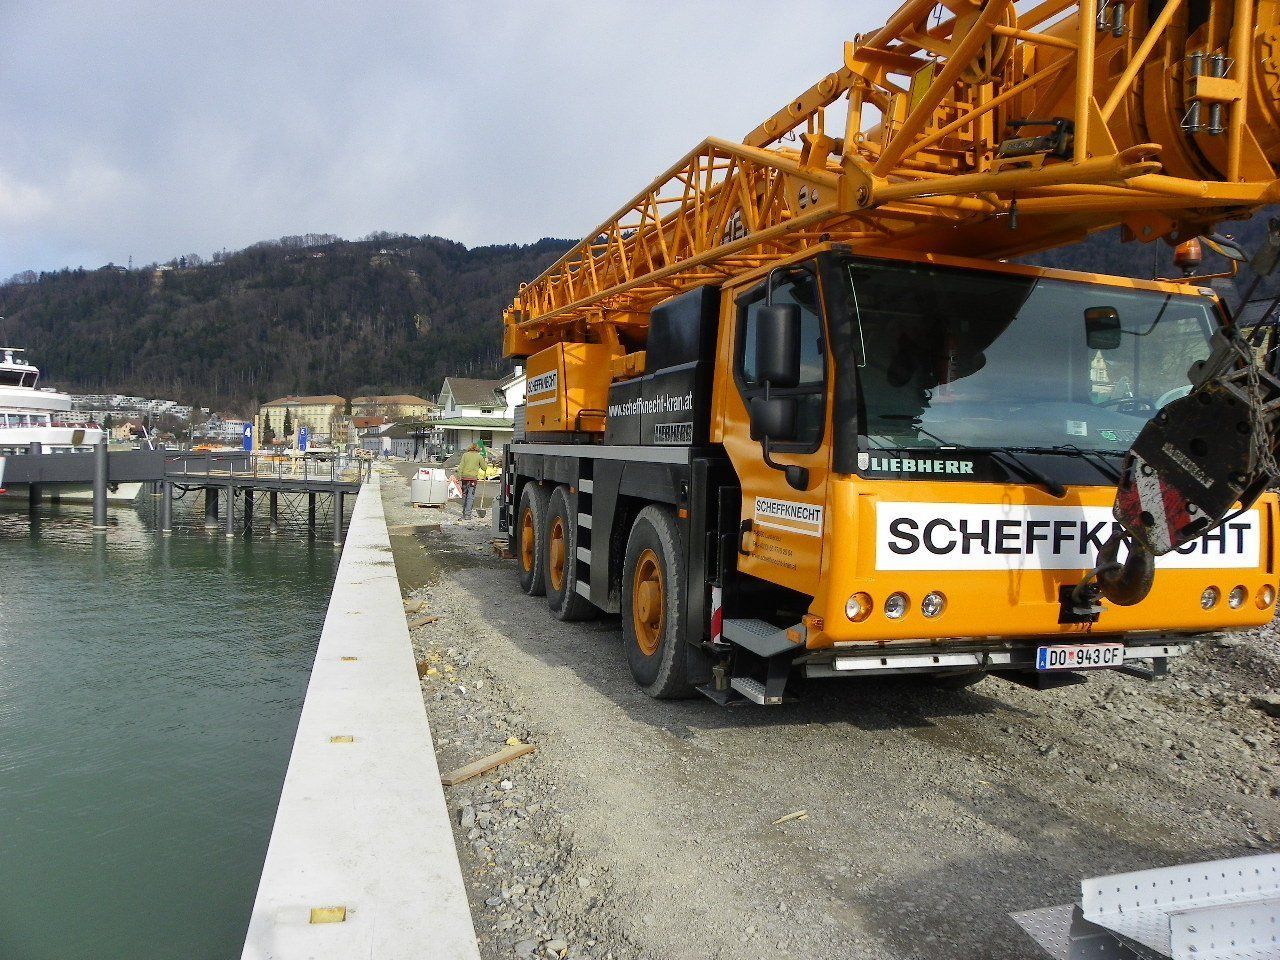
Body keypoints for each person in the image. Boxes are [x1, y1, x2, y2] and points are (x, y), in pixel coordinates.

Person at [457, 443, 485, 519]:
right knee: (470, 496)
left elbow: (461, 466)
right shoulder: (479, 456)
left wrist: (458, 476)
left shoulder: (465, 455)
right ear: (477, 449)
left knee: (464, 495)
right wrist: (484, 461)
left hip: (464, 478)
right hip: (472, 479)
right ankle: (467, 514)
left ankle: (464, 513)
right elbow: (484, 468)